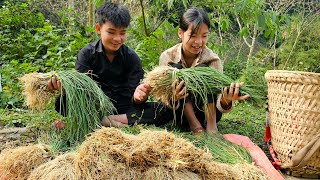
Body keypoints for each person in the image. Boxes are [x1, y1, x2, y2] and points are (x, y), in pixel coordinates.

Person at [48, 1, 171, 128]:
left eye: (122, 33)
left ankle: (100, 122)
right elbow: (81, 92)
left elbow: (136, 98)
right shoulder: (87, 54)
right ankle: (117, 123)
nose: (117, 39)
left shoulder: (131, 58)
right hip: (96, 107)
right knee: (61, 102)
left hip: (124, 109)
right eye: (111, 32)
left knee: (164, 110)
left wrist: (139, 97)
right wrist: (65, 88)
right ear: (98, 29)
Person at [159, 8, 249, 135]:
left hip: (206, 115)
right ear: (181, 33)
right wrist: (173, 96)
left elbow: (218, 97)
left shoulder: (213, 59)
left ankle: (212, 127)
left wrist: (226, 99)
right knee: (176, 70)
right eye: (193, 36)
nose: (199, 42)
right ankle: (195, 125)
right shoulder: (167, 57)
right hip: (180, 115)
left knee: (203, 70)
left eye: (204, 36)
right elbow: (162, 96)